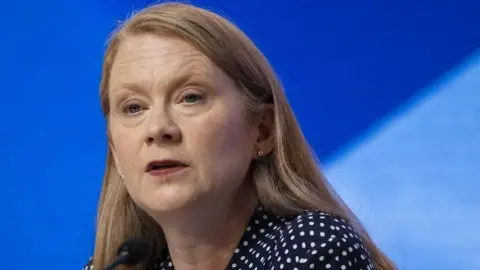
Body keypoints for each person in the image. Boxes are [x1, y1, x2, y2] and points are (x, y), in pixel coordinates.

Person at [84, 2, 396, 270]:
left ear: (262, 130)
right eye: (134, 107)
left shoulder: (311, 247)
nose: (157, 129)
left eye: (190, 97)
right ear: (114, 148)